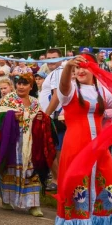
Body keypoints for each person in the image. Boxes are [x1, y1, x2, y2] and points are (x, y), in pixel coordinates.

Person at [53, 54, 112, 225]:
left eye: (85, 67)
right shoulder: (70, 90)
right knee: (78, 192)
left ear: (95, 69)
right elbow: (64, 85)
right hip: (75, 147)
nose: (80, 71)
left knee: (109, 188)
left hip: (99, 149)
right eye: (77, 69)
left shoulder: (102, 91)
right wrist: (67, 68)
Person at [0, 74, 44, 217]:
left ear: (31, 87)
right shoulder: (8, 99)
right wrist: (10, 117)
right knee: (10, 169)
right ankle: (7, 199)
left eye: (25, 84)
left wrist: (40, 118)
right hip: (12, 141)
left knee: (31, 169)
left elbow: (42, 120)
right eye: (19, 83)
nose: (21, 86)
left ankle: (33, 204)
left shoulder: (35, 102)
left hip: (30, 142)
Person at [41, 49, 65, 193]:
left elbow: (56, 96)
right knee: (55, 150)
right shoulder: (55, 72)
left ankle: (58, 180)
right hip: (55, 115)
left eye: (54, 58)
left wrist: (47, 115)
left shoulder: (58, 72)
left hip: (55, 116)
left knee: (55, 150)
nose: (51, 61)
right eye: (48, 58)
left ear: (61, 58)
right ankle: (58, 179)